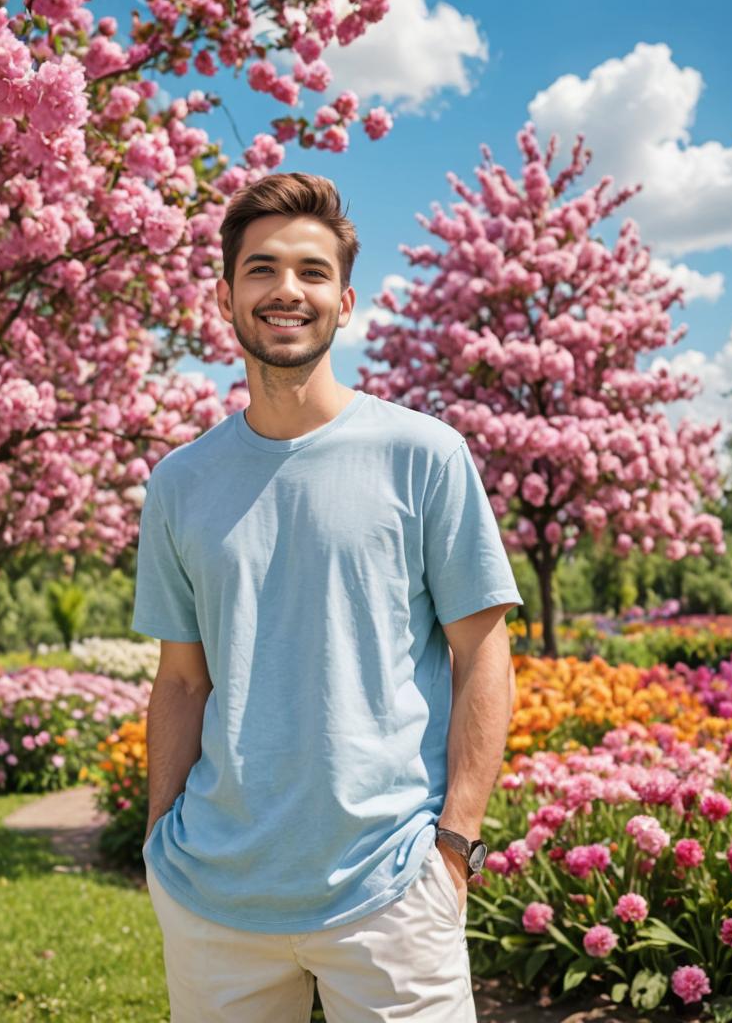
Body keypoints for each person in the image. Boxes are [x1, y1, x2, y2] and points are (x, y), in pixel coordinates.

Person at [132, 172, 522, 1022]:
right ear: (228, 296)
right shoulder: (179, 483)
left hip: (393, 893)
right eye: (262, 268)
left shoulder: (425, 454)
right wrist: (161, 841)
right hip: (213, 901)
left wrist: (453, 843)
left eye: (312, 272)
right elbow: (182, 681)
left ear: (344, 303)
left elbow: (481, 653)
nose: (286, 290)